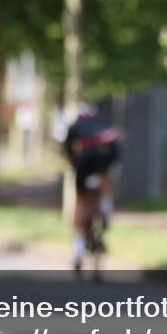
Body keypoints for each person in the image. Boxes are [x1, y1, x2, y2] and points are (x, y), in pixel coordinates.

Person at [64, 102, 121, 275]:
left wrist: (72, 161)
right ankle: (105, 211)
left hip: (82, 165)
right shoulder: (104, 123)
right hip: (100, 164)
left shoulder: (75, 126)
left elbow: (68, 148)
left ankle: (78, 252)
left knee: (81, 203)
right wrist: (109, 162)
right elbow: (115, 148)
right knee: (105, 189)